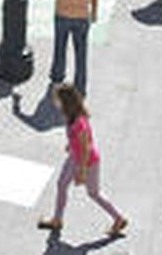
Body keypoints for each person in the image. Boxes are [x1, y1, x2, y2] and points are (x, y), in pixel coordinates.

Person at [36, 83, 127, 238]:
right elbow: (79, 143)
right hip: (75, 157)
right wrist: (70, 146)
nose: (55, 102)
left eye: (57, 99)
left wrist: (82, 172)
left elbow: (86, 148)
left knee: (94, 193)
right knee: (61, 184)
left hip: (88, 162)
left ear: (65, 101)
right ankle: (57, 220)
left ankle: (118, 218)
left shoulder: (78, 123)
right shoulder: (72, 115)